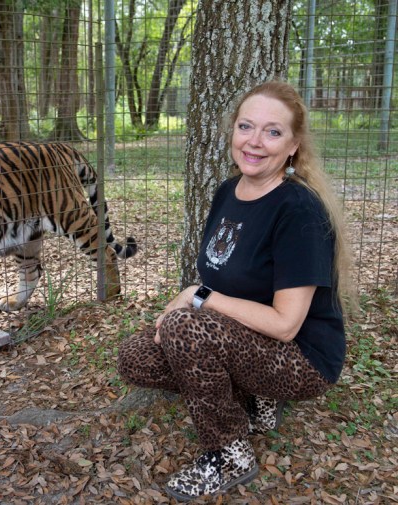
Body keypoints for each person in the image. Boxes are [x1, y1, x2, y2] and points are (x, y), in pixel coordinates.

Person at [117, 80, 355, 501]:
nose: (255, 142)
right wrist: (190, 304)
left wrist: (197, 299)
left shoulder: (297, 210)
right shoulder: (228, 191)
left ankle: (230, 453)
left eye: (273, 132)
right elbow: (225, 278)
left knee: (185, 330)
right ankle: (253, 395)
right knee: (136, 357)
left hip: (301, 356)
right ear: (232, 130)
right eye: (246, 126)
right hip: (244, 340)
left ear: (294, 145)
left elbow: (284, 325)